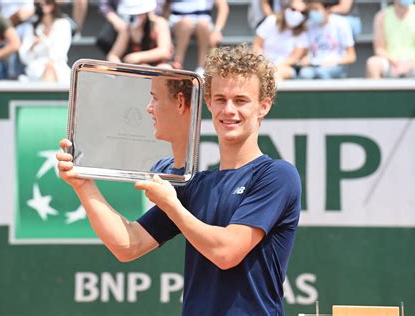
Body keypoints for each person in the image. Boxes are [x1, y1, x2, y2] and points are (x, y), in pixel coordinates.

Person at [57, 44, 301, 315]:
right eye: (220, 99)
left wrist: (173, 207)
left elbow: (227, 252)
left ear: (263, 106)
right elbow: (128, 245)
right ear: (208, 103)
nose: (229, 110)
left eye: (241, 100)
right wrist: (83, 185)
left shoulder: (277, 175)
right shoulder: (194, 183)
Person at [365, 0, 415, 79]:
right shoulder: (381, 16)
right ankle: (376, 91)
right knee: (372, 64)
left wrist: (409, 65)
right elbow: (379, 48)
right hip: (390, 63)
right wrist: (394, 62)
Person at [298, 0, 356, 79]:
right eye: (311, 9)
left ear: (327, 9)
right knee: (304, 74)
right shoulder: (309, 24)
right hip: (314, 65)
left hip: (336, 66)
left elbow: (351, 57)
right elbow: (304, 53)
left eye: (316, 9)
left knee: (322, 73)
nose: (313, 12)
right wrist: (305, 59)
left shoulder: (341, 23)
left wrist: (335, 62)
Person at [106, 0, 173, 68]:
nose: (135, 17)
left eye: (139, 14)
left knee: (164, 67)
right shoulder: (126, 29)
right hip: (139, 69)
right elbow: (113, 55)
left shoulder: (159, 23)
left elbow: (165, 52)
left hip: (160, 67)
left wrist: (139, 57)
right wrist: (118, 66)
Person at [18, 0, 72, 83]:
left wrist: (50, 64)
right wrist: (33, 45)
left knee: (50, 70)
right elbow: (24, 56)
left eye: (46, 3)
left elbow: (61, 51)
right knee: (47, 71)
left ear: (53, 5)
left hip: (58, 67)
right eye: (38, 4)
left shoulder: (63, 24)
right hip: (36, 69)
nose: (42, 6)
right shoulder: (31, 28)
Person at [147, 77, 193, 173]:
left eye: (155, 98)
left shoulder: (205, 181)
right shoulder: (159, 168)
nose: (148, 108)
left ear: (180, 102)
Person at [253, 0, 308, 81]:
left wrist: (275, 66)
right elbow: (257, 45)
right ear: (286, 9)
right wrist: (263, 63)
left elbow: (294, 58)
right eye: (293, 9)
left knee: (276, 75)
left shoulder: (302, 33)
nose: (297, 14)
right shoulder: (271, 20)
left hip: (284, 67)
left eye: (302, 12)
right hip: (262, 64)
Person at [169, 0, 229, 74]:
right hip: (177, 20)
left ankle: (202, 68)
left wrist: (217, 31)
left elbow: (223, 7)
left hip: (203, 21)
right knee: (185, 23)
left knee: (202, 24)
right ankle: (177, 64)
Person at [0, 0, 35, 78]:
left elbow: (32, 9)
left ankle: (18, 75)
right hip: (2, 30)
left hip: (26, 26)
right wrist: (9, 21)